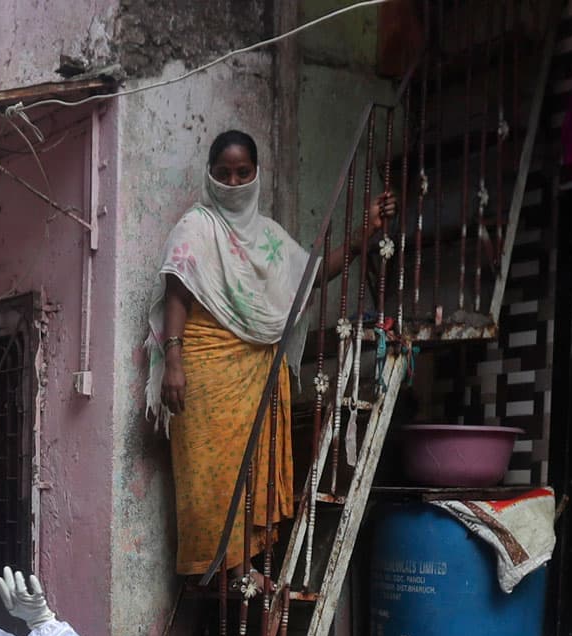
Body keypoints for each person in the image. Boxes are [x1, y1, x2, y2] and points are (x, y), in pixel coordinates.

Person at [152, 130, 392, 578]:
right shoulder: (197, 226)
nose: (233, 181)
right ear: (210, 175)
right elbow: (176, 295)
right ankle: (222, 576)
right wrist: (174, 361)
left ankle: (245, 577)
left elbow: (310, 275)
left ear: (256, 174)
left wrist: (365, 232)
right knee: (208, 486)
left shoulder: (268, 237)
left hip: (256, 374)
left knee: (251, 479)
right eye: (223, 173)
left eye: (242, 172)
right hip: (204, 373)